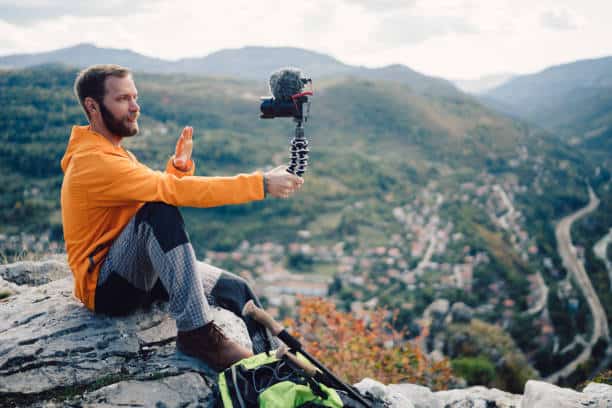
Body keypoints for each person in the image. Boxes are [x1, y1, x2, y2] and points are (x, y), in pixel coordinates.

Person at [60, 64, 304, 371]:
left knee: (236, 289)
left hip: (137, 271)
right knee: (159, 212)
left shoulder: (110, 152)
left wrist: (177, 168)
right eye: (123, 99)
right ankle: (197, 333)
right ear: (92, 106)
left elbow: (155, 190)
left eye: (135, 97)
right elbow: (166, 196)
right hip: (106, 288)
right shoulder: (93, 162)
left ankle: (271, 370)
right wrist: (261, 183)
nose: (135, 107)